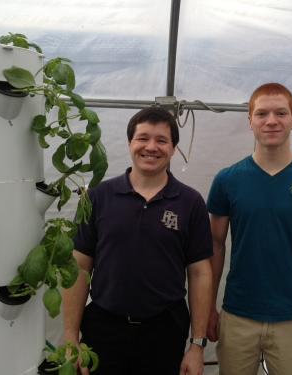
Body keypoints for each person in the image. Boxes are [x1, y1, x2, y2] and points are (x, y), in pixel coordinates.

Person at [62, 107, 213, 375]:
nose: (151, 147)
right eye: (143, 138)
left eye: (162, 140)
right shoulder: (98, 197)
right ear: (130, 143)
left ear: (173, 148)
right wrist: (70, 336)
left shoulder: (190, 202)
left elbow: (200, 273)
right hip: (104, 329)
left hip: (164, 330)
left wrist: (197, 345)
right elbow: (79, 268)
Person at [206, 83, 292, 375]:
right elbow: (214, 246)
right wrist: (208, 310)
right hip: (238, 315)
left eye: (281, 113)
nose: (271, 121)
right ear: (250, 120)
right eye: (262, 113)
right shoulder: (227, 180)